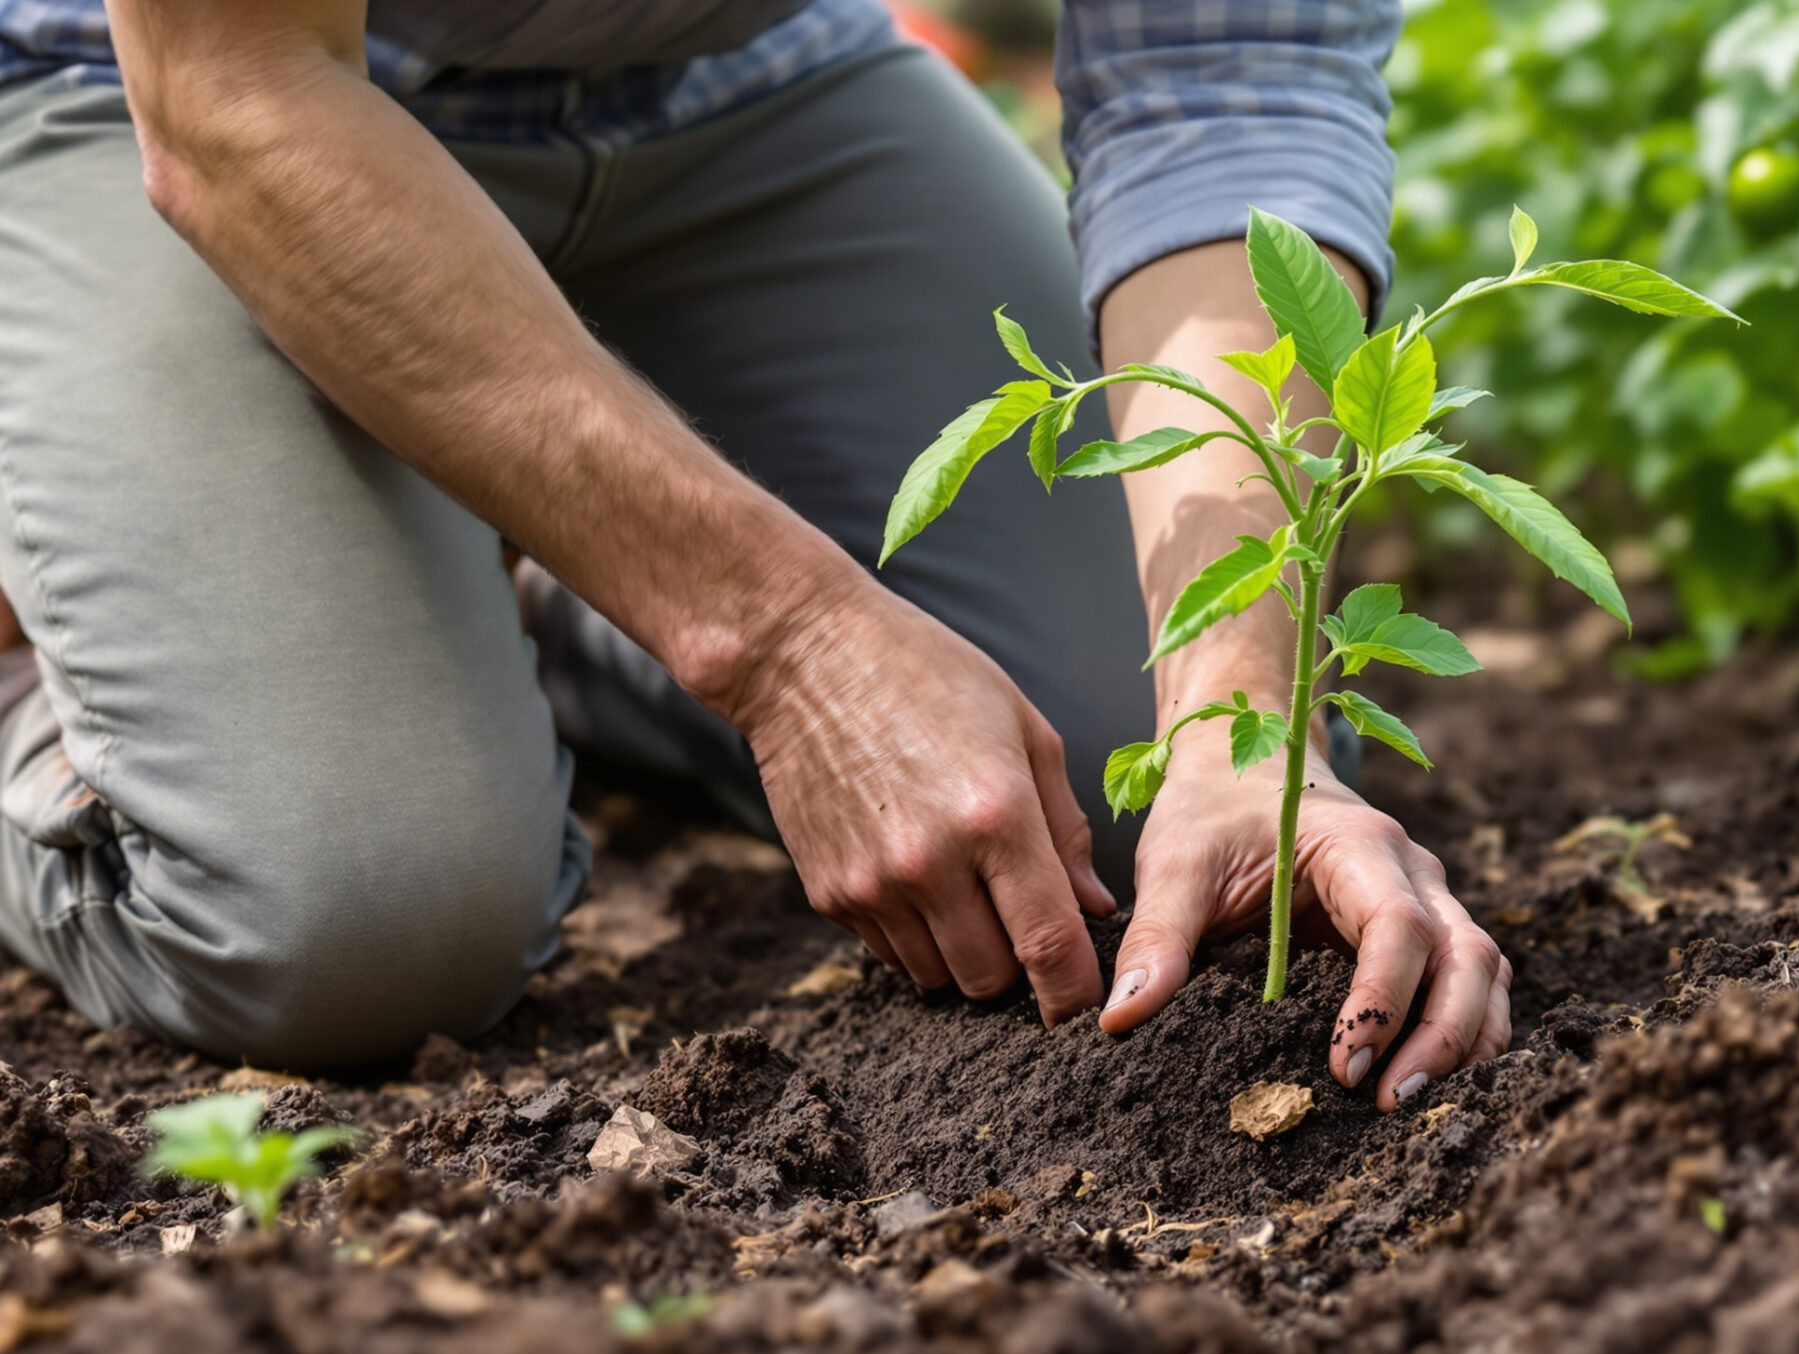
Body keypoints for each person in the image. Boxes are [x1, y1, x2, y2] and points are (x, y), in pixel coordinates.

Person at [0, 0, 1511, 1107]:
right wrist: (793, 647)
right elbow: (231, 97)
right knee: (354, 917)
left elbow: (1231, 76)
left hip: (735, 82)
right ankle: (66, 679)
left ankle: (568, 607)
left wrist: (1245, 718)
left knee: (1132, 825)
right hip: (155, 92)